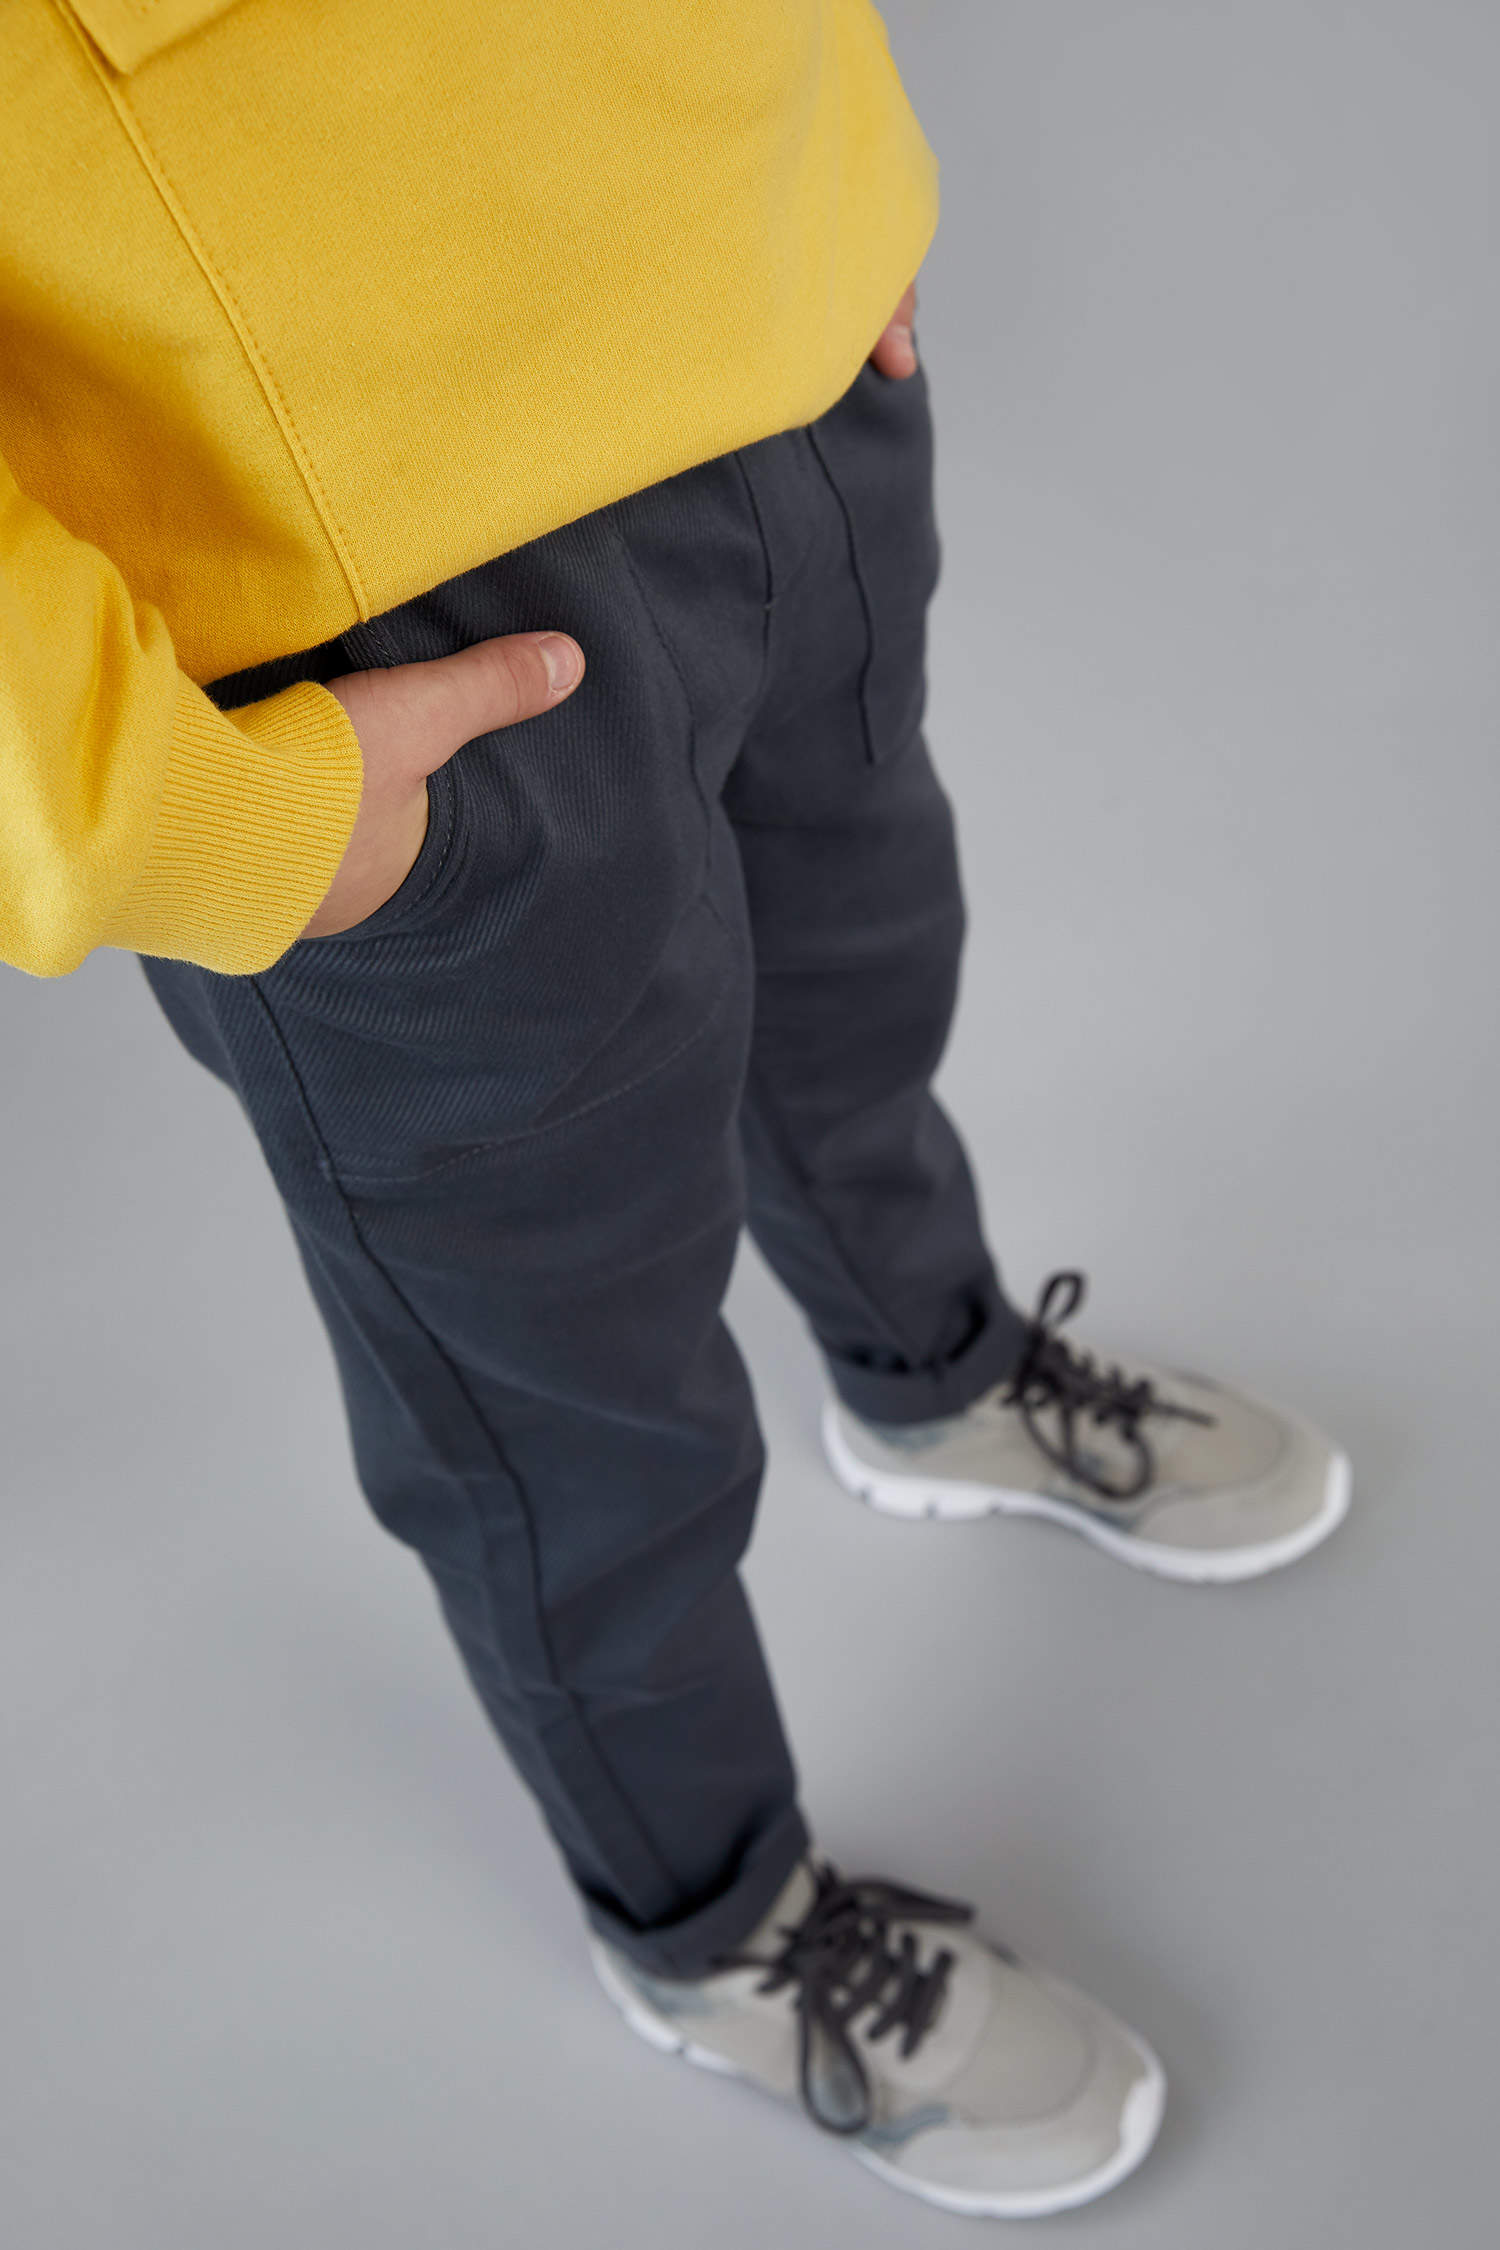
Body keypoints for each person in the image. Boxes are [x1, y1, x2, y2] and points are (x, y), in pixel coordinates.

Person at [2, 0, 1350, 2218]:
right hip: (371, 629)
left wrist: (832, 190)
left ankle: (934, 1378)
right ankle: (708, 1917)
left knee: (860, 989)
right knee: (562, 1391)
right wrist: (160, 809)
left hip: (780, 378)